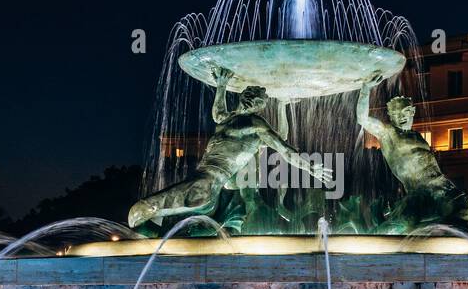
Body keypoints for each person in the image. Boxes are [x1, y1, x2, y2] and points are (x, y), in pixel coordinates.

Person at [128, 67, 331, 229]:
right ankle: (148, 235)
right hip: (205, 181)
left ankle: (144, 238)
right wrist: (221, 85)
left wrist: (310, 168)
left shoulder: (255, 124)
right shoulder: (231, 119)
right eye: (261, 101)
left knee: (146, 208)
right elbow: (218, 113)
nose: (258, 104)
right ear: (254, 102)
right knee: (149, 211)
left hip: (210, 183)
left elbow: (284, 146)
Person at [355, 72, 468, 230]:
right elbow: (362, 119)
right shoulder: (388, 133)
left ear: (412, 112)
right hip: (418, 193)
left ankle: (431, 232)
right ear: (390, 117)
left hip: (442, 187)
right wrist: (366, 88)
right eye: (396, 114)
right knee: (395, 229)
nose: (402, 117)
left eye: (405, 112)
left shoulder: (417, 135)